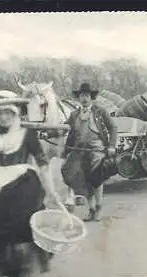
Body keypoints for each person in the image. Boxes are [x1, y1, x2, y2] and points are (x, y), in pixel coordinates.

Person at [0, 96, 64, 277]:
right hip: (1, 179)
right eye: (0, 113)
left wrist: (51, 190)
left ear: (15, 114)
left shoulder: (27, 134)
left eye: (8, 112)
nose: (3, 117)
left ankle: (26, 265)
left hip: (26, 179)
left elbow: (43, 164)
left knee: (22, 215)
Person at [61, 83, 118, 222]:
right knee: (81, 179)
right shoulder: (74, 114)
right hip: (80, 150)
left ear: (91, 97)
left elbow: (113, 128)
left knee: (96, 180)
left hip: (97, 150)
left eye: (86, 95)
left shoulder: (100, 111)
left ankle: (98, 208)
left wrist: (111, 146)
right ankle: (90, 209)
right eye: (81, 96)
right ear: (78, 98)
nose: (84, 98)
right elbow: (63, 128)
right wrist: (48, 131)